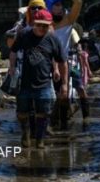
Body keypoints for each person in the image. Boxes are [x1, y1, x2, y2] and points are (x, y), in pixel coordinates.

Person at [9, 8, 65, 148]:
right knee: (22, 113)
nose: (41, 28)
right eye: (39, 25)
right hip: (25, 83)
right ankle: (25, 135)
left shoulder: (53, 39)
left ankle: (40, 140)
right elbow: (13, 51)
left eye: (45, 26)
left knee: (44, 113)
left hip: (44, 83)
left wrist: (63, 82)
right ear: (34, 23)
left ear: (49, 25)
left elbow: (62, 60)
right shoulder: (24, 35)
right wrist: (12, 66)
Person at [49, 0, 88, 127]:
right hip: (49, 63)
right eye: (55, 5)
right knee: (55, 95)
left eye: (60, 5)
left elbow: (78, 2)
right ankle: (53, 121)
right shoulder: (45, 24)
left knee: (78, 89)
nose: (58, 8)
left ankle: (83, 119)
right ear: (50, 7)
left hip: (66, 61)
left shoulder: (68, 20)